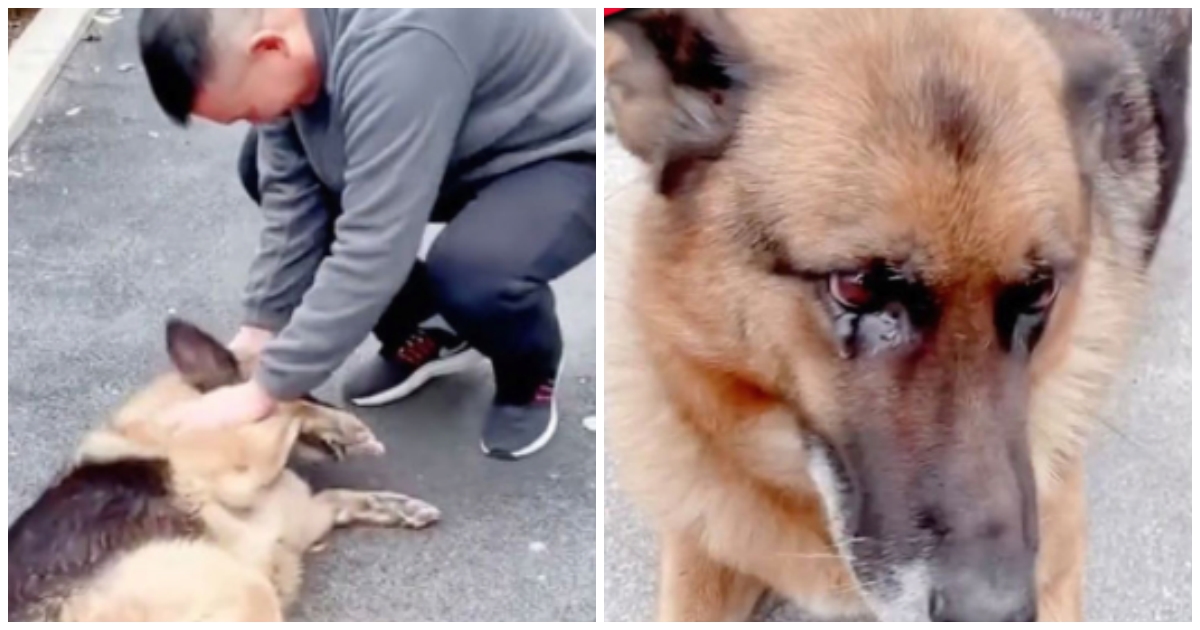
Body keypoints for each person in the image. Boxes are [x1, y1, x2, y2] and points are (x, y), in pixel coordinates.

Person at [137, 8, 596, 460]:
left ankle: (526, 381)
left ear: (271, 47)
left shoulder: (403, 40)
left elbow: (374, 245)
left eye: (249, 111)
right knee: (259, 165)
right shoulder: (288, 37)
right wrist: (263, 328)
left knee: (474, 271)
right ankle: (430, 330)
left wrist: (264, 390)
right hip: (450, 138)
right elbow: (292, 194)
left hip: (556, 151)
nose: (256, 121)